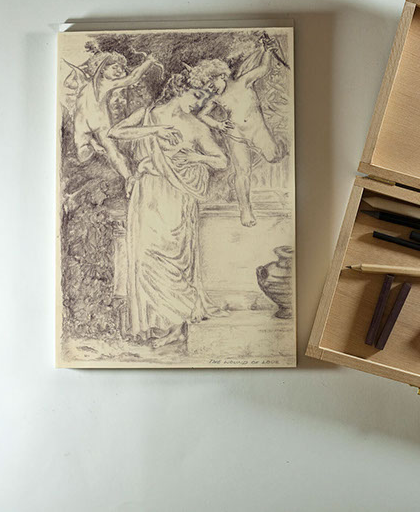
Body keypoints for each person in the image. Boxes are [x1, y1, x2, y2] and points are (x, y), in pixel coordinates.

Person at [107, 64, 230, 347]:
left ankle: (177, 328)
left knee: (173, 260)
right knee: (144, 257)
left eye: (203, 98)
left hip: (175, 197)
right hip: (147, 193)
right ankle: (158, 324)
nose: (198, 103)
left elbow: (221, 160)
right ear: (179, 89)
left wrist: (197, 158)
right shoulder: (148, 114)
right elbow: (116, 132)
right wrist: (156, 129)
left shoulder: (197, 126)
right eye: (196, 95)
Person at [194, 35, 286, 227]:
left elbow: (263, 69)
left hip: (257, 130)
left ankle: (277, 149)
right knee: (242, 171)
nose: (210, 89)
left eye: (211, 84)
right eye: (206, 87)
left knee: (274, 157)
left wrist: (268, 52)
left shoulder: (243, 81)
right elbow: (202, 115)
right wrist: (218, 125)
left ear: (221, 76)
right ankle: (245, 210)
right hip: (235, 135)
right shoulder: (215, 99)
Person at [71, 51, 163, 195]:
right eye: (115, 67)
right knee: (91, 154)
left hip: (94, 124)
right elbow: (133, 77)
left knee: (112, 153)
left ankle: (129, 178)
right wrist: (149, 61)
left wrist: (148, 62)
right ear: (102, 69)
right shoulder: (94, 83)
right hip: (87, 125)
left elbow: (133, 77)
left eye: (120, 68)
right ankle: (127, 177)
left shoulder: (95, 83)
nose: (119, 71)